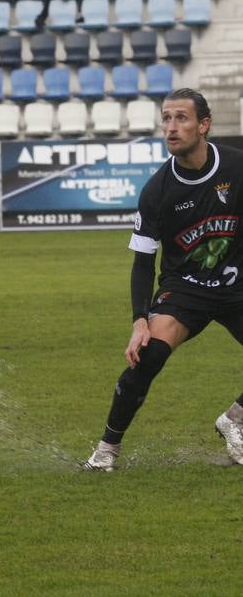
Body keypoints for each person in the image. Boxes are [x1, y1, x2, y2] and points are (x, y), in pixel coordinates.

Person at [83, 89, 243, 470]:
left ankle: (235, 418)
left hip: (236, 286)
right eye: (166, 119)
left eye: (182, 118)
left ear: (204, 125)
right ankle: (107, 450)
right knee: (147, 355)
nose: (171, 127)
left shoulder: (237, 167)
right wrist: (140, 320)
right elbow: (143, 263)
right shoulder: (157, 190)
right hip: (184, 289)